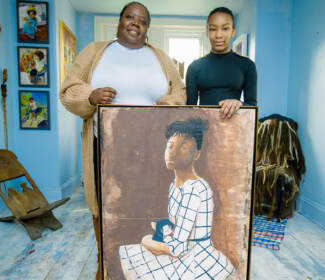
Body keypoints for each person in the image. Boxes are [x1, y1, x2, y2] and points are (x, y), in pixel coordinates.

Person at [59, 2, 185, 279]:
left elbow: (179, 93)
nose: (134, 24)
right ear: (120, 21)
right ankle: (105, 260)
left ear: (147, 28)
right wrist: (90, 96)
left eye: (141, 21)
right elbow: (69, 89)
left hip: (152, 148)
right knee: (105, 203)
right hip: (106, 147)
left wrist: (169, 104)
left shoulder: (161, 58)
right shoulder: (95, 52)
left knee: (150, 203)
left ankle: (146, 259)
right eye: (129, 17)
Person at [119, 118, 235, 280]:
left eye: (183, 147)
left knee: (141, 247)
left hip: (196, 258)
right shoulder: (175, 186)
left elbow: (179, 247)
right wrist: (164, 228)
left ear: (197, 154)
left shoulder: (193, 189)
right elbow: (179, 226)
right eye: (170, 146)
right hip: (182, 248)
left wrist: (147, 241)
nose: (173, 152)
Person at [186, 7, 257, 119]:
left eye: (225, 28)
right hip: (204, 130)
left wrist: (240, 104)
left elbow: (252, 106)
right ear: (207, 32)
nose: (218, 35)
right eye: (213, 29)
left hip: (235, 130)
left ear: (233, 31)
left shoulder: (247, 65)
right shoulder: (194, 67)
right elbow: (189, 110)